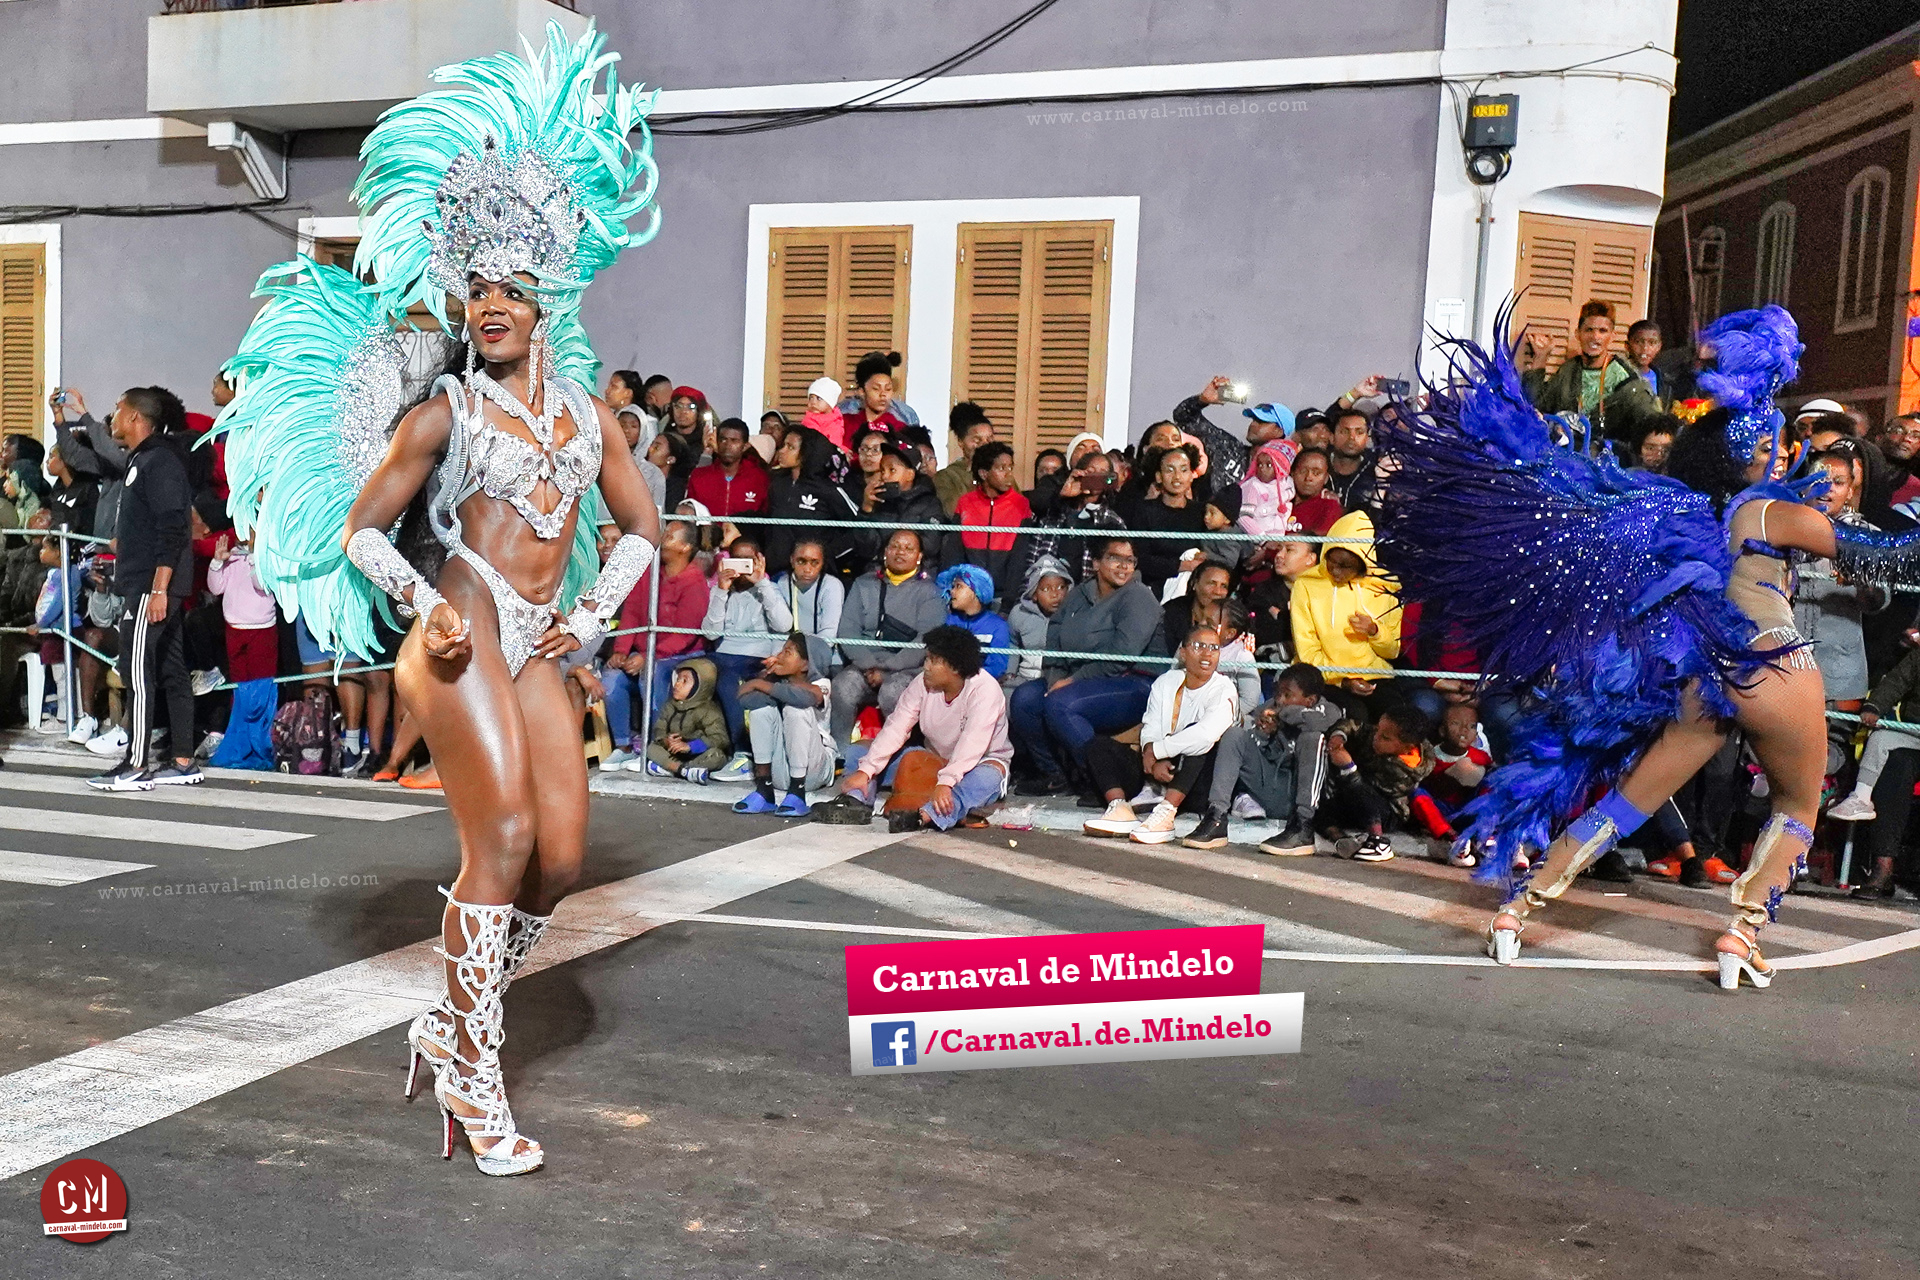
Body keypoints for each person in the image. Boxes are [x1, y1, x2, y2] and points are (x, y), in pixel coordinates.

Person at [215, 27, 663, 1174]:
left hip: (540, 644)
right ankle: (472, 1065)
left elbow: (644, 530)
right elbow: (364, 530)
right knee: (501, 838)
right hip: (456, 634)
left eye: (512, 288)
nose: (492, 303)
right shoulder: (442, 414)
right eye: (478, 289)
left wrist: (593, 616)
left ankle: (451, 1017)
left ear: (547, 296)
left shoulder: (591, 419)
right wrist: (425, 601)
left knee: (559, 858)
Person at [1376, 303, 1920, 989]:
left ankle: (1518, 910)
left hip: (1709, 678)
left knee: (1627, 801)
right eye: (1773, 447)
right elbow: (1890, 556)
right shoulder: (1770, 511)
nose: (1784, 454)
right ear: (1751, 455)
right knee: (1797, 806)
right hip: (1776, 663)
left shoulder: (1680, 508)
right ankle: (1742, 932)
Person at [85, 387, 201, 792]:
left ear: (135, 417)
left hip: (152, 589)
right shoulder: (143, 459)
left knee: (136, 672)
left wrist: (158, 590)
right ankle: (183, 760)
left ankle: (135, 764)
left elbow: (173, 528)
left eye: (118, 410)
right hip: (151, 583)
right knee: (171, 670)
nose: (113, 418)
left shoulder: (159, 460)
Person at [1010, 537, 1166, 794]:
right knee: (1024, 700)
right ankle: (1056, 774)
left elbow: (1122, 655)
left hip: (1133, 680)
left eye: (1129, 560)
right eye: (1114, 558)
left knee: (1060, 704)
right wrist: (1056, 676)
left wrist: (1072, 681)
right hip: (1079, 678)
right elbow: (1055, 632)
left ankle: (1101, 780)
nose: (1123, 566)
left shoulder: (1139, 597)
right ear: (1096, 562)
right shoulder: (1080, 594)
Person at [839, 624, 1013, 833]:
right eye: (927, 658)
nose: (926, 666)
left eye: (933, 660)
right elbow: (896, 727)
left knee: (986, 779)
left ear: (955, 668)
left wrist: (946, 782)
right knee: (860, 752)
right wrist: (866, 771)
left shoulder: (985, 690)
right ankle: (856, 800)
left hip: (975, 766)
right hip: (932, 761)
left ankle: (925, 816)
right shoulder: (921, 683)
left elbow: (972, 743)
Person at [1083, 623, 1237, 844]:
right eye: (1199, 646)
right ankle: (1119, 809)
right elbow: (1151, 724)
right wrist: (1151, 753)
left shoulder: (1224, 689)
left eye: (1214, 648)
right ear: (1183, 653)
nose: (1207, 654)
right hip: (1157, 768)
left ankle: (1166, 814)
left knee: (1198, 741)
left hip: (1194, 780)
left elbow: (1205, 735)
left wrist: (1157, 751)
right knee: (1098, 745)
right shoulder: (1166, 681)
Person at [1185, 662, 1344, 854]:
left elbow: (1319, 722)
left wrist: (1282, 716)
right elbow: (1257, 745)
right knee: (1234, 735)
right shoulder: (1269, 707)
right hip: (1265, 790)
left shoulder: (1327, 709)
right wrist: (1263, 734)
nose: (1279, 699)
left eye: (1287, 695)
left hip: (1298, 797)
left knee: (1313, 738)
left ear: (1310, 700)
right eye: (1278, 693)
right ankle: (1216, 817)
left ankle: (1303, 828)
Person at [604, 519, 709, 768]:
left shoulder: (694, 581)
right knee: (611, 679)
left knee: (652, 675)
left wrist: (648, 656)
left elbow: (685, 634)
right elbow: (631, 613)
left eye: (669, 536)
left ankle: (657, 747)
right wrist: (621, 650)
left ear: (685, 547)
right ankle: (623, 746)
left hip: (680, 655)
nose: (662, 538)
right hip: (644, 652)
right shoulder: (649, 572)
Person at [831, 529, 945, 753]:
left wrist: (888, 668)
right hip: (865, 665)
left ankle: (899, 756)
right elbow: (848, 630)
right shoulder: (863, 584)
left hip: (907, 667)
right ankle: (840, 754)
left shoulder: (930, 592)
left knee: (893, 692)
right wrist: (869, 664)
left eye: (908, 548)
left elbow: (926, 639)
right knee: (843, 686)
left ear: (919, 556)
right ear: (885, 552)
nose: (900, 552)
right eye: (895, 546)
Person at [700, 535, 794, 772]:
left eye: (748, 560)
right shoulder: (722, 591)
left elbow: (784, 625)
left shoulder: (769, 589)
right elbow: (710, 633)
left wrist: (761, 583)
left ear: (759, 561)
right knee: (691, 673)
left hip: (754, 657)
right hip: (723, 654)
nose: (741, 567)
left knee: (727, 677)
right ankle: (693, 746)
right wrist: (721, 590)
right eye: (736, 560)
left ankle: (742, 752)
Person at [1322, 702, 1446, 863]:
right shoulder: (1380, 736)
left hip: (1386, 812)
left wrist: (1348, 767)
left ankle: (1378, 841)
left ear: (1407, 748)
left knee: (1361, 792)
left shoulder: (1405, 771)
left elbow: (1367, 788)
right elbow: (1355, 726)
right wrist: (1339, 736)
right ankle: (1341, 839)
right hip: (1356, 802)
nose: (1376, 737)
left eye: (1385, 738)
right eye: (1377, 729)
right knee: (1323, 808)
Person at [1289, 510, 1400, 691]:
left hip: (1376, 675)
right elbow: (1307, 650)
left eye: (1345, 566)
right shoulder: (1306, 584)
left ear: (1363, 564)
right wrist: (1341, 681)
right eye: (1332, 561)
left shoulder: (1387, 587)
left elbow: (1392, 651)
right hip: (1323, 679)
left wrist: (1374, 631)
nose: (1336, 571)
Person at [731, 631, 833, 816]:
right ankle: (764, 790)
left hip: (813, 771)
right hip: (781, 768)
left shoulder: (822, 683)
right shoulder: (777, 682)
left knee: (795, 709)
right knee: (761, 710)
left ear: (806, 664)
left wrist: (760, 685)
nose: (779, 656)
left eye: (788, 652)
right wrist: (766, 679)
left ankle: (798, 795)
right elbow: (745, 699)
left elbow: (806, 698)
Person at [1531, 299, 1660, 444]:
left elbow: (1651, 425)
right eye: (1589, 330)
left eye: (1602, 331)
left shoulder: (1626, 378)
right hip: (1566, 453)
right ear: (1578, 334)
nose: (1595, 337)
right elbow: (1535, 405)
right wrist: (1540, 359)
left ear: (1612, 336)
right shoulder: (1569, 370)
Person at [1010, 449, 1128, 587]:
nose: (1096, 476)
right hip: (1049, 592)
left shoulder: (1113, 521)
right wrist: (1063, 494)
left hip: (1088, 595)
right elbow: (1031, 561)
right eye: (1091, 471)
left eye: (1103, 472)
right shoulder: (1053, 513)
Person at [761, 424, 855, 573]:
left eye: (791, 447)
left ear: (807, 454)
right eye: (783, 445)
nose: (782, 451)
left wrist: (828, 556)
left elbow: (856, 527)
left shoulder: (828, 490)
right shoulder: (777, 484)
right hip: (775, 573)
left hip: (814, 575)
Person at [948, 440, 1030, 605]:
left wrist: (1008, 603)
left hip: (1003, 597)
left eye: (1010, 468)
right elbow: (954, 552)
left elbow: (1019, 559)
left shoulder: (1021, 504)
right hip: (968, 594)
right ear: (984, 474)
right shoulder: (965, 503)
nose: (1009, 474)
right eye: (1001, 468)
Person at [1171, 377, 1290, 488]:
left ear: (1279, 431)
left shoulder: (1286, 471)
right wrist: (1202, 400)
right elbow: (1183, 417)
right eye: (1253, 419)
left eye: (1261, 421)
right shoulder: (1228, 448)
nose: (1253, 424)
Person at [1125, 444, 1209, 597]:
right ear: (1159, 476)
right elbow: (1140, 558)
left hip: (1193, 589)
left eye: (1183, 470)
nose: (1177, 477)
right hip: (1152, 589)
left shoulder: (1202, 512)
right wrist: (1183, 565)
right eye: (1170, 470)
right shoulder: (1144, 510)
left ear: (1192, 475)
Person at [851, 440, 945, 574]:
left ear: (910, 475)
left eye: (892, 470)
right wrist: (866, 508)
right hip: (879, 573)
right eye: (882, 470)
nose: (885, 476)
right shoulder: (878, 501)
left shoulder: (930, 502)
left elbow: (931, 545)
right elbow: (866, 549)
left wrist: (897, 545)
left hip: (919, 575)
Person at [204, 527, 278, 687]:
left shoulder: (267, 555)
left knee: (261, 682)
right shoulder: (232, 555)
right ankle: (240, 704)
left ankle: (261, 705)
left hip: (261, 629)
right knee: (238, 681)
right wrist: (217, 562)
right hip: (234, 629)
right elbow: (216, 588)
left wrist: (254, 556)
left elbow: (260, 584)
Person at [643, 658, 729, 784]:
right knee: (651, 748)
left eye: (684, 681)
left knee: (716, 756)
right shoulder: (669, 706)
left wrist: (690, 746)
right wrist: (666, 740)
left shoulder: (708, 710)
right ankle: (685, 771)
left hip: (698, 754)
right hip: (674, 753)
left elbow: (720, 739)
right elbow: (659, 728)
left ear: (700, 686)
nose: (677, 685)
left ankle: (672, 768)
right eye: (677, 679)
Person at [1004, 554, 1072, 691]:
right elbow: (1013, 643)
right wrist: (1010, 673)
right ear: (1034, 594)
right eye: (1046, 589)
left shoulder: (1074, 615)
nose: (1055, 594)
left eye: (1061, 587)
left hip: (1061, 683)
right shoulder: (1019, 614)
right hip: (1025, 679)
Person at [937, 563, 1010, 681]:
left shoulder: (997, 626)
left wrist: (967, 678)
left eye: (958, 586)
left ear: (976, 591)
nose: (952, 591)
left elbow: (997, 667)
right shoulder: (947, 621)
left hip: (981, 685)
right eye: (953, 586)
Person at [686, 418, 771, 519]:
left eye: (734, 441)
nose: (727, 446)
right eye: (723, 440)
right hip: (707, 529)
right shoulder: (699, 476)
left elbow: (765, 516)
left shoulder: (759, 478)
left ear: (745, 446)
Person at [933, 402, 995, 515]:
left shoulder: (1000, 473)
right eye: (977, 440)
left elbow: (1019, 510)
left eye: (990, 439)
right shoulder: (946, 477)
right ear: (961, 442)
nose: (985, 445)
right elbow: (954, 512)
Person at [841, 351, 910, 440]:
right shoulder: (843, 422)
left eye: (888, 389)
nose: (883, 394)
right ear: (861, 391)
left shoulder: (902, 423)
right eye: (876, 388)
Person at [1237, 440, 1298, 540]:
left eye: (1269, 465)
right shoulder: (1252, 486)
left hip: (1281, 540)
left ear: (1281, 467)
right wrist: (1263, 539)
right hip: (1258, 541)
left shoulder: (1288, 484)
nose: (1262, 469)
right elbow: (1243, 517)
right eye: (1259, 464)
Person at [1324, 408, 1379, 513]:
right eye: (1345, 431)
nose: (1352, 437)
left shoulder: (1376, 472)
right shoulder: (1318, 465)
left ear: (1367, 439)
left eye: (1359, 432)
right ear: (1331, 437)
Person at [1288, 446, 1342, 535]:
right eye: (1303, 471)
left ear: (1326, 478)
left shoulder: (1329, 507)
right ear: (1292, 473)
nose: (1309, 477)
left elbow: (1318, 540)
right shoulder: (1279, 502)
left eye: (1316, 473)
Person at [1626, 319, 1667, 406]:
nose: (1645, 348)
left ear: (1659, 347)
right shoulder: (1619, 375)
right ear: (1627, 346)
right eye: (1638, 342)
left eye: (1652, 343)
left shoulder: (1662, 379)